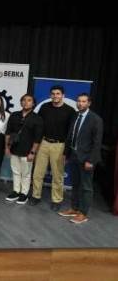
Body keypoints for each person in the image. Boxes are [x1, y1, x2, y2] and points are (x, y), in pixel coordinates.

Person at [58, 93, 103, 223]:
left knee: (86, 187)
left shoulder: (95, 119)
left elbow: (97, 143)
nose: (80, 104)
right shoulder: (75, 116)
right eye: (78, 101)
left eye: (83, 101)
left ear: (89, 103)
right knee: (75, 184)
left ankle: (83, 214)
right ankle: (75, 208)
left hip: (87, 159)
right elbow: (70, 136)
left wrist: (91, 160)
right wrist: (66, 154)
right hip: (73, 156)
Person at [30, 85, 76, 211]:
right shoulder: (45, 107)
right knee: (38, 173)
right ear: (50, 95)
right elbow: (39, 126)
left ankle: (56, 200)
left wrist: (67, 151)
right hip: (44, 143)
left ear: (63, 95)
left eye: (58, 93)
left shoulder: (70, 111)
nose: (55, 96)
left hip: (59, 145)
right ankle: (35, 196)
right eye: (53, 93)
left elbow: (71, 133)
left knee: (57, 175)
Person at [5, 94, 43, 204]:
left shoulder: (37, 118)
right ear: (21, 102)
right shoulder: (14, 115)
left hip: (27, 151)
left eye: (29, 100)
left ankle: (24, 194)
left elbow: (37, 138)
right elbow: (8, 132)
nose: (26, 102)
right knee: (15, 171)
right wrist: (7, 147)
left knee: (26, 174)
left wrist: (32, 152)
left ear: (33, 103)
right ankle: (16, 191)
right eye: (23, 100)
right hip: (14, 149)